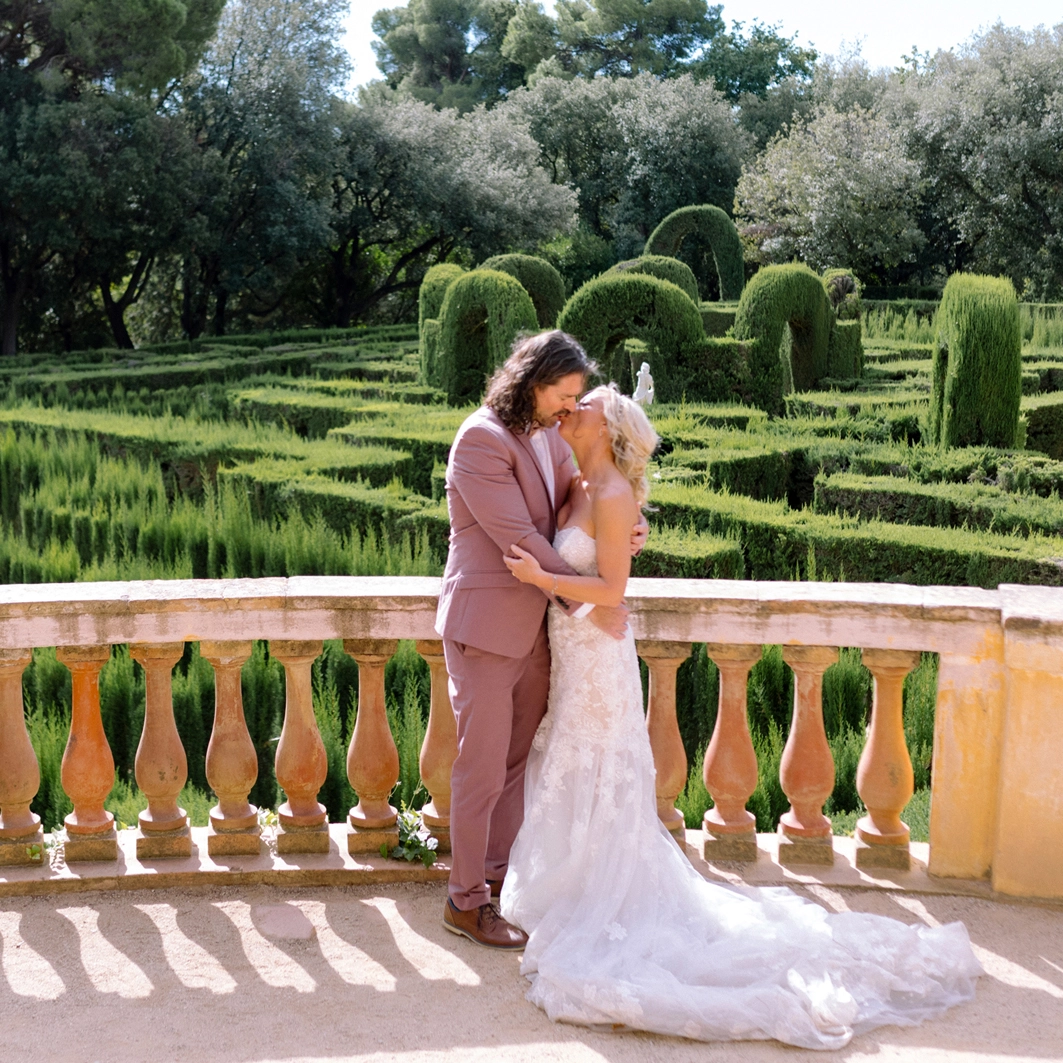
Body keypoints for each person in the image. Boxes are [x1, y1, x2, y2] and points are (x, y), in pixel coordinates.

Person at [500, 383, 983, 1050]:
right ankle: (569, 892)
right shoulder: (577, 481)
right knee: (567, 770)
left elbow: (611, 589)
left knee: (599, 771)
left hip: (598, 661)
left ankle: (599, 905)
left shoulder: (611, 494)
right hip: (573, 653)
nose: (572, 406)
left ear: (606, 430)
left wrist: (542, 578)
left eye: (585, 404)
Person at [435, 330, 647, 950]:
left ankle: (495, 887)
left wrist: (624, 528)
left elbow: (571, 511)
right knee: (481, 768)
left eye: (577, 396)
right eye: (565, 392)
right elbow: (521, 542)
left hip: (539, 634)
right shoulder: (481, 439)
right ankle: (464, 901)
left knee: (512, 766)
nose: (569, 406)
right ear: (533, 380)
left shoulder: (547, 435)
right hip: (487, 629)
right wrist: (586, 607)